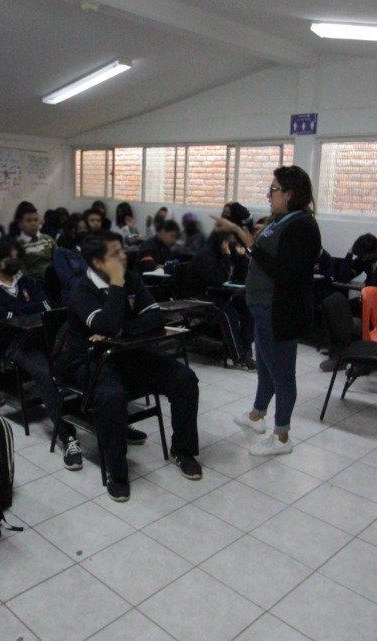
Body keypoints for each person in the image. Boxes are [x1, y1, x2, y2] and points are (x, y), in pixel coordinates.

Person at [55, 232, 202, 501]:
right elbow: (108, 324)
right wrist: (116, 286)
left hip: (129, 353)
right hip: (92, 361)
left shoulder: (130, 278)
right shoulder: (82, 291)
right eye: (116, 254)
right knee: (112, 396)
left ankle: (183, 451)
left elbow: (156, 318)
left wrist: (122, 330)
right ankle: (117, 472)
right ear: (98, 262)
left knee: (184, 378)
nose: (124, 257)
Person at [215, 166, 322, 455]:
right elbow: (267, 259)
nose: (269, 194)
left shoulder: (301, 226)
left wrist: (252, 245)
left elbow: (286, 273)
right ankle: (256, 415)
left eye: (274, 189)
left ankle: (283, 436)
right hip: (263, 307)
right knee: (265, 367)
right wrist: (252, 246)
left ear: (289, 194)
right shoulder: (283, 220)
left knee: (282, 374)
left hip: (280, 311)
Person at [0, 237, 82, 465]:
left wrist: (16, 311)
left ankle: (98, 417)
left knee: (80, 356)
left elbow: (47, 307)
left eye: (16, 255)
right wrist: (27, 309)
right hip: (12, 344)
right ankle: (66, 435)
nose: (14, 259)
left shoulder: (27, 281)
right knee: (44, 373)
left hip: (41, 337)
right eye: (8, 256)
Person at [187, 228, 254, 369]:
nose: (232, 242)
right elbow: (217, 280)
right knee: (227, 312)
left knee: (248, 306)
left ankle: (246, 350)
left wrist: (242, 257)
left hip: (218, 294)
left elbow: (243, 276)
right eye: (229, 239)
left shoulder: (229, 252)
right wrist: (226, 256)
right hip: (198, 296)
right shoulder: (205, 255)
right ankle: (239, 357)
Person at [12, 202, 55, 280]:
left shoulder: (48, 239)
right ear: (20, 224)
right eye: (29, 221)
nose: (33, 224)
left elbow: (59, 261)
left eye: (36, 220)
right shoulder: (17, 246)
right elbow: (21, 273)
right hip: (34, 283)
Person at [51, 215, 90, 300]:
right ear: (71, 231)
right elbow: (68, 280)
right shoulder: (61, 253)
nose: (83, 231)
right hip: (75, 295)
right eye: (79, 229)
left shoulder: (91, 249)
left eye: (85, 228)